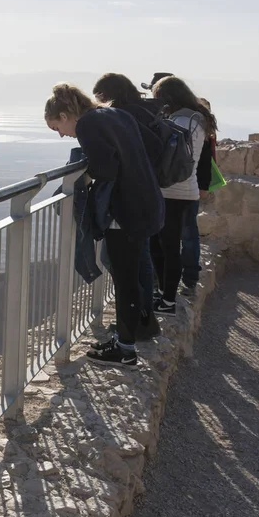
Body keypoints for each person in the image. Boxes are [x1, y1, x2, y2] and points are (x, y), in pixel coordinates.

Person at [44, 83, 164, 367]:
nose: (62, 134)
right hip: (147, 201)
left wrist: (86, 172)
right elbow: (154, 147)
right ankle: (130, 336)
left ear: (64, 115)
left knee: (125, 279)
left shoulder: (87, 125)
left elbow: (105, 169)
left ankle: (125, 349)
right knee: (130, 275)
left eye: (57, 127)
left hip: (126, 211)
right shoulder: (114, 115)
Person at [92, 73, 164, 340]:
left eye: (99, 95)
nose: (97, 101)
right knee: (140, 259)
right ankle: (144, 318)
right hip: (147, 194)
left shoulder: (124, 114)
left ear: (108, 93)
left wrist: (133, 170)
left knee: (122, 263)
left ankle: (137, 321)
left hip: (132, 199)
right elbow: (155, 148)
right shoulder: (144, 110)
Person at [150, 77, 218, 315]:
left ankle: (167, 300)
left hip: (172, 192)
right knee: (164, 245)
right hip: (183, 191)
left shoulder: (180, 120)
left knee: (166, 247)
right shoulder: (196, 119)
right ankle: (165, 296)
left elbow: (163, 152)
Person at [180, 97, 218, 295]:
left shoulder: (196, 128)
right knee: (189, 233)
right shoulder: (203, 128)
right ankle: (190, 277)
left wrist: (203, 185)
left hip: (187, 188)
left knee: (186, 234)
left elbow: (204, 161)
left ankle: (188, 277)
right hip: (192, 188)